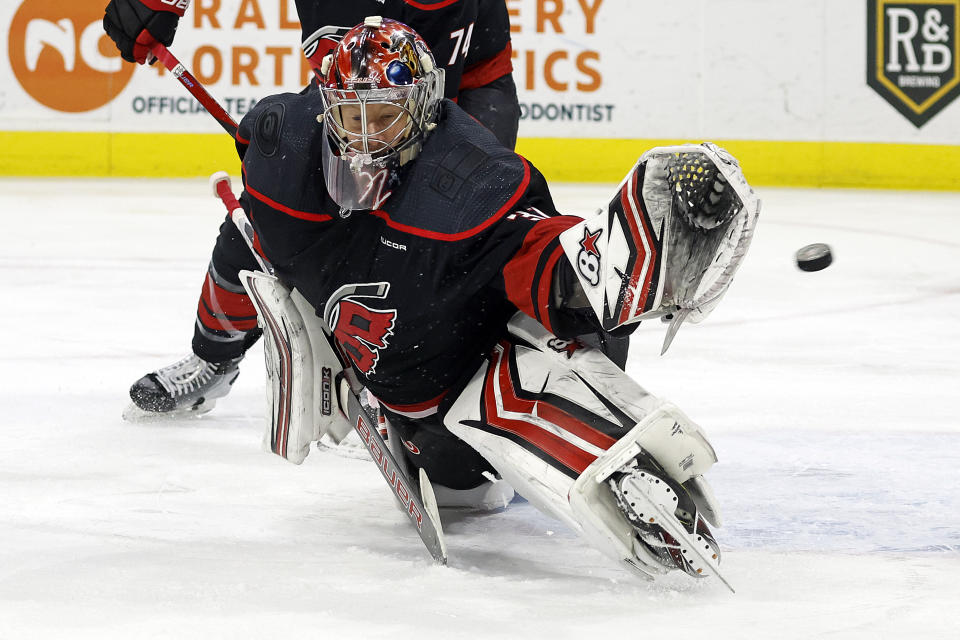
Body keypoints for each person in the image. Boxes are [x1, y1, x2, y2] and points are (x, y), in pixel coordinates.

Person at [123, 16, 760, 581]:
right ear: (326, 108)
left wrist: (616, 268)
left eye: (386, 114)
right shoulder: (283, 150)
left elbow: (541, 261)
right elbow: (255, 243)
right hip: (391, 373)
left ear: (424, 109)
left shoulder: (467, 177)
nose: (366, 136)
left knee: (474, 479)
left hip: (462, 362)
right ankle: (212, 360)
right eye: (352, 113)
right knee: (247, 235)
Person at [102, 0, 621, 415]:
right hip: (348, 114)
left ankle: (478, 371)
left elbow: (489, 75)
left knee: (469, 249)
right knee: (264, 219)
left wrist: (473, 188)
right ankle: (212, 358)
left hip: (438, 125)